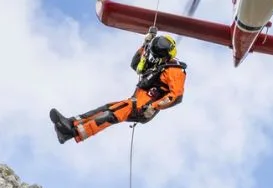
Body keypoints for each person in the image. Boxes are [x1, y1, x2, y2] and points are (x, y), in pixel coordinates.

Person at [49, 33, 187, 144]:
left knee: (111, 114)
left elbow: (176, 95)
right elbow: (136, 64)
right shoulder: (157, 66)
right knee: (106, 108)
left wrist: (154, 107)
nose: (155, 57)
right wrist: (145, 44)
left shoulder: (174, 69)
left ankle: (73, 132)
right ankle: (69, 124)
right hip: (134, 103)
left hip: (143, 108)